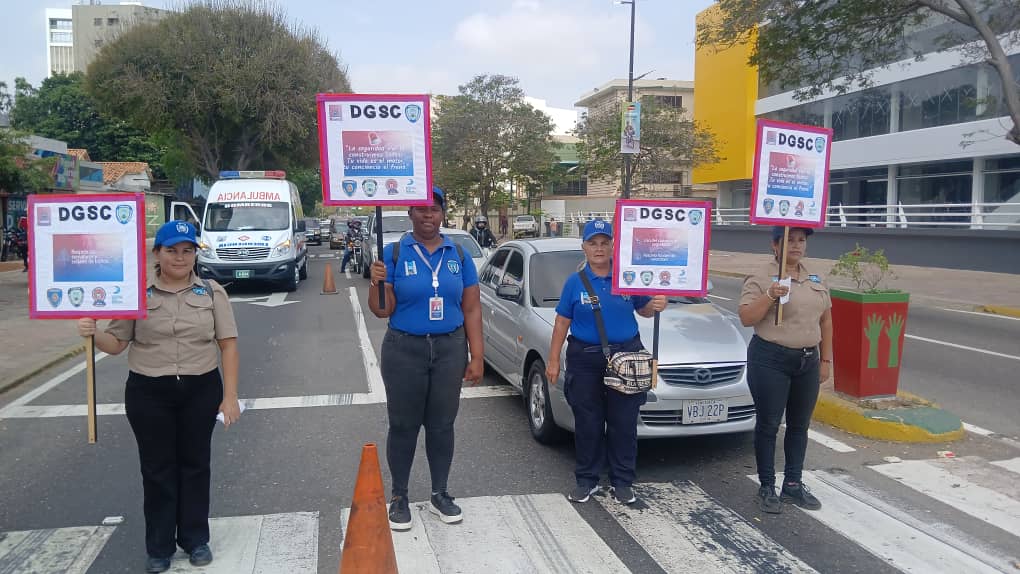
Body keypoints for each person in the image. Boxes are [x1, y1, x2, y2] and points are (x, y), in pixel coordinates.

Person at [77, 221, 240, 573]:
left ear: (196, 253)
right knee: (157, 469)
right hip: (149, 392)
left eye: (187, 250)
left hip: (200, 389)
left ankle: (196, 539)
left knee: (196, 466)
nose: (180, 258)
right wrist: (91, 333)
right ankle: (159, 547)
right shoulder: (135, 294)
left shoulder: (212, 292)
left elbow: (227, 345)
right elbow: (117, 345)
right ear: (157, 254)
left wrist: (231, 397)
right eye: (171, 250)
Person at [368, 186, 484, 531]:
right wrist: (377, 284)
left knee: (442, 425)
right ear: (410, 214)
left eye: (434, 209)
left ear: (443, 213)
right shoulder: (394, 253)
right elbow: (381, 311)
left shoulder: (459, 255)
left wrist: (476, 355)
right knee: (403, 425)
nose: (428, 215)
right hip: (404, 349)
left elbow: (472, 307)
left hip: (449, 348)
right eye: (420, 209)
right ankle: (399, 496)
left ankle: (440, 493)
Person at [545, 219, 666, 506]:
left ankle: (622, 482)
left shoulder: (629, 278)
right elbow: (562, 321)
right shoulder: (574, 283)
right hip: (585, 359)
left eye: (604, 242)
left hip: (627, 357)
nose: (599, 248)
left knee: (624, 423)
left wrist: (656, 304)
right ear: (584, 247)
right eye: (592, 243)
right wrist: (553, 360)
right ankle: (586, 480)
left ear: (613, 245)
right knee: (588, 422)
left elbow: (645, 310)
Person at [739, 226, 833, 515]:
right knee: (769, 425)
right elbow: (746, 317)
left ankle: (793, 483)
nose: (796, 245)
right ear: (775, 245)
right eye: (789, 240)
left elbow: (826, 321)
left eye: (801, 240)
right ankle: (767, 486)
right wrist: (770, 294)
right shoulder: (761, 277)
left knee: (799, 425)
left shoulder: (814, 278)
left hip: (807, 360)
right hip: (771, 358)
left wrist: (826, 360)